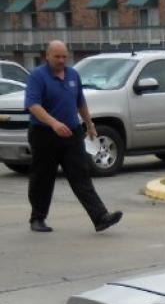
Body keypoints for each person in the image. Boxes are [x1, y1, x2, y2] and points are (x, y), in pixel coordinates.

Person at [24, 40, 122, 233]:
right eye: (57, 56)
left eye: (64, 56)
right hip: (44, 134)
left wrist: (90, 125)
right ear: (47, 56)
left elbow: (80, 102)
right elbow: (33, 105)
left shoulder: (73, 75)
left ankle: (100, 217)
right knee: (43, 178)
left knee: (80, 175)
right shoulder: (37, 76)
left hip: (72, 133)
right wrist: (53, 123)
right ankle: (38, 218)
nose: (61, 60)